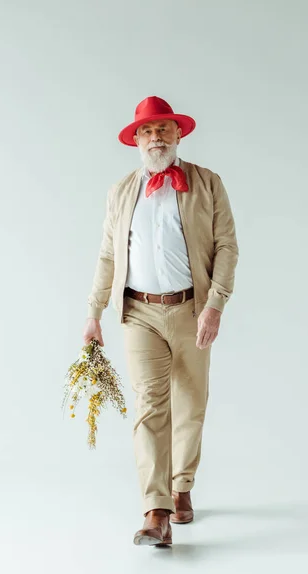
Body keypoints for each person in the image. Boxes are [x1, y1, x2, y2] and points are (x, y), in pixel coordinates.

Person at [83, 96, 239, 547]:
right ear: (135, 139)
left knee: (190, 404)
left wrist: (216, 304)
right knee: (150, 406)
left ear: (178, 135)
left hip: (193, 309)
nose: (156, 137)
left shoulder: (207, 183)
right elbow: (109, 255)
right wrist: (93, 313)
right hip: (139, 313)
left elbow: (227, 246)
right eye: (147, 131)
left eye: (164, 129)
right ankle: (156, 511)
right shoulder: (120, 192)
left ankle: (182, 485)